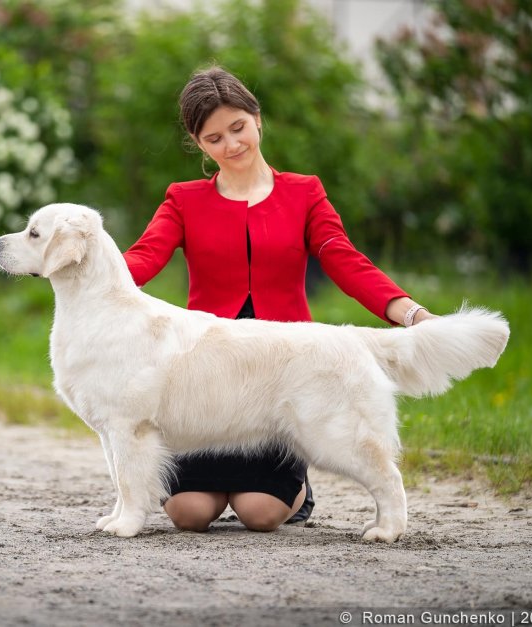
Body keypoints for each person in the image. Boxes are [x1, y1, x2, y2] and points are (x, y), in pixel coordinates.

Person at [121, 66, 436, 533]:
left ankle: (298, 491)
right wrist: (82, 268)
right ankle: (225, 487)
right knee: (188, 514)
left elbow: (346, 262)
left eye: (238, 128)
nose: (231, 145)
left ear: (257, 118)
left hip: (284, 376)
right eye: (214, 138)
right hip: (209, 378)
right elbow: (143, 259)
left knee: (259, 513)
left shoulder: (305, 193)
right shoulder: (183, 200)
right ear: (199, 144)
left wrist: (411, 313)